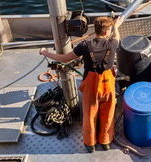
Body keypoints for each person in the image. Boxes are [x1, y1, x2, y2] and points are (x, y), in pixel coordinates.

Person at [39, 16, 123, 153]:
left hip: (91, 85)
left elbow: (64, 59)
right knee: (108, 112)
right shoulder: (113, 43)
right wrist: (116, 26)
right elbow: (117, 36)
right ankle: (106, 141)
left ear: (94, 29)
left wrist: (45, 52)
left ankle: (90, 144)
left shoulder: (84, 46)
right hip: (108, 84)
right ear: (107, 32)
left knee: (90, 114)